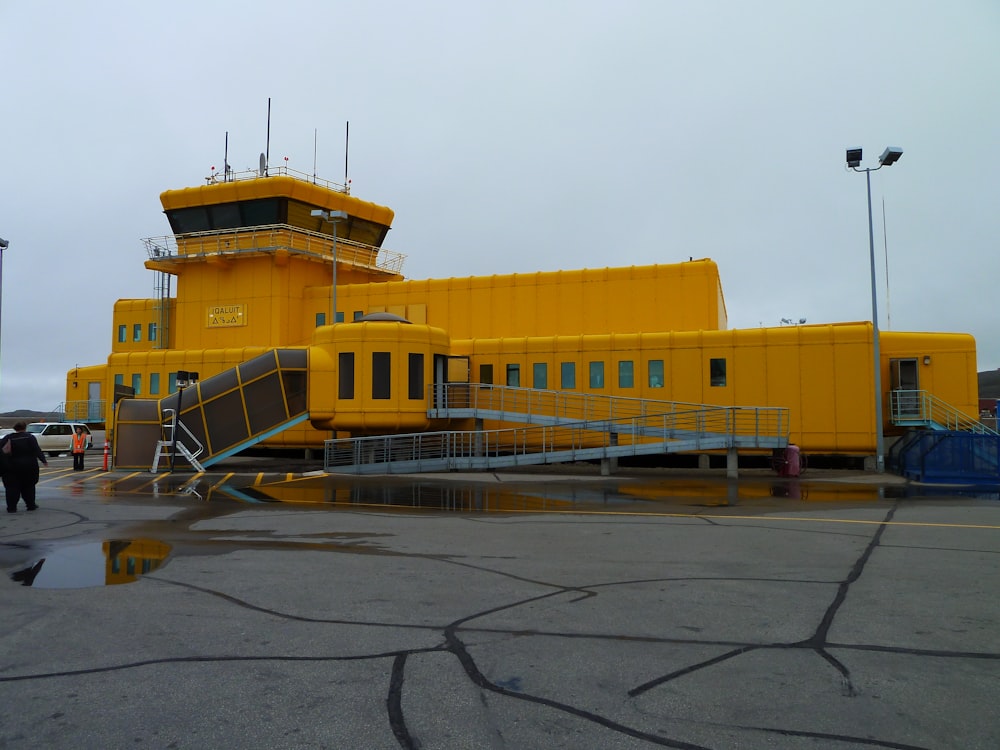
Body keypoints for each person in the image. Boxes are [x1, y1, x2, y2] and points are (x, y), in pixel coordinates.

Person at [1, 422, 49, 513]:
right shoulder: (29, 437)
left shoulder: (8, 437)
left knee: (11, 488)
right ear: (24, 428)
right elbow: (36, 450)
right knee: (29, 487)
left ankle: (11, 507)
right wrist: (43, 460)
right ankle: (30, 505)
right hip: (29, 466)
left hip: (11, 467)